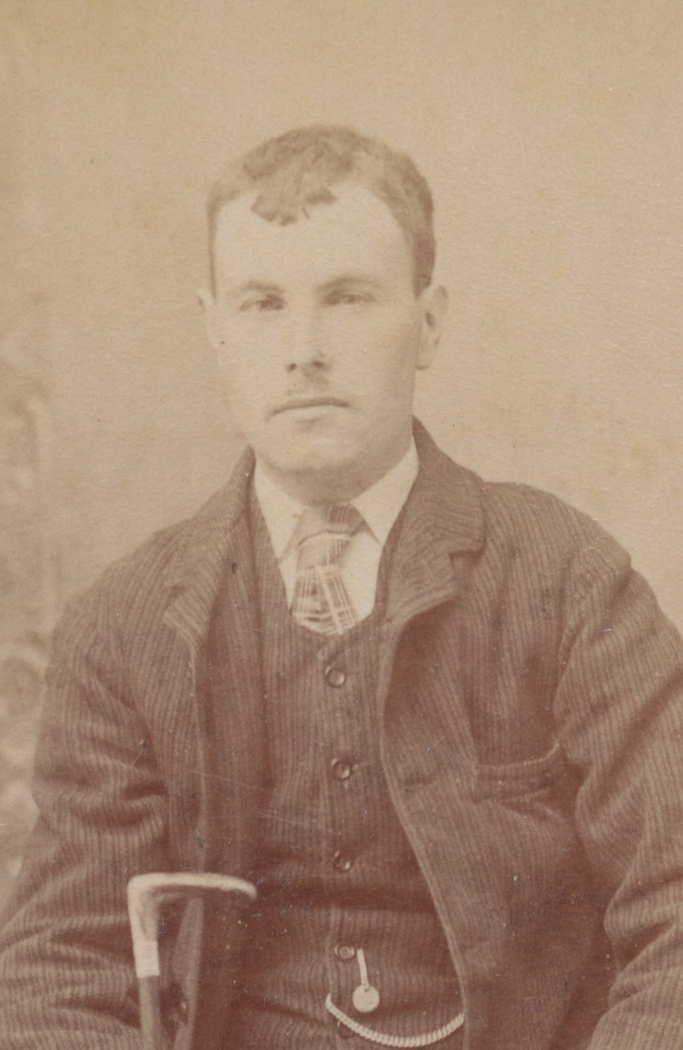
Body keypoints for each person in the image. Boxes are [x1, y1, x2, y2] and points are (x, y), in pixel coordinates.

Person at [1, 124, 682, 1050]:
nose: (304, 349)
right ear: (214, 328)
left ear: (428, 321)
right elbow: (61, 966)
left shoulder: (564, 579)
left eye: (348, 298)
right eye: (261, 304)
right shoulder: (124, 626)